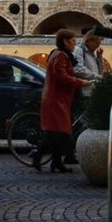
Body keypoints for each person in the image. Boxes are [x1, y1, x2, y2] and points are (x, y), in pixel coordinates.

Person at [36, 29, 92, 173]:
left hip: (57, 98)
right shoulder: (61, 55)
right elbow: (62, 77)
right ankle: (39, 157)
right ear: (65, 42)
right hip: (56, 99)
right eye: (73, 41)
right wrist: (81, 82)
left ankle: (56, 162)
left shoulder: (58, 54)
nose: (75, 44)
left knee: (56, 132)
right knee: (61, 132)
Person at [72, 31, 105, 99]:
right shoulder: (79, 50)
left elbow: (100, 71)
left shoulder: (92, 54)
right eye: (97, 43)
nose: (98, 46)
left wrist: (99, 57)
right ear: (89, 40)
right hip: (83, 93)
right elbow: (78, 69)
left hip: (92, 91)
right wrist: (96, 76)